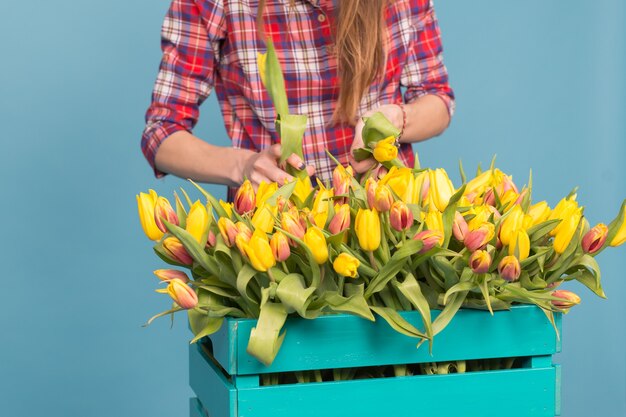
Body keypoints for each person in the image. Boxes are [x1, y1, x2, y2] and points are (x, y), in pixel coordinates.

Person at [141, 0, 454, 196]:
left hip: (385, 224)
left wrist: (396, 120)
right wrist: (245, 166)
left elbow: (436, 98)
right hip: (273, 239)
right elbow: (161, 132)